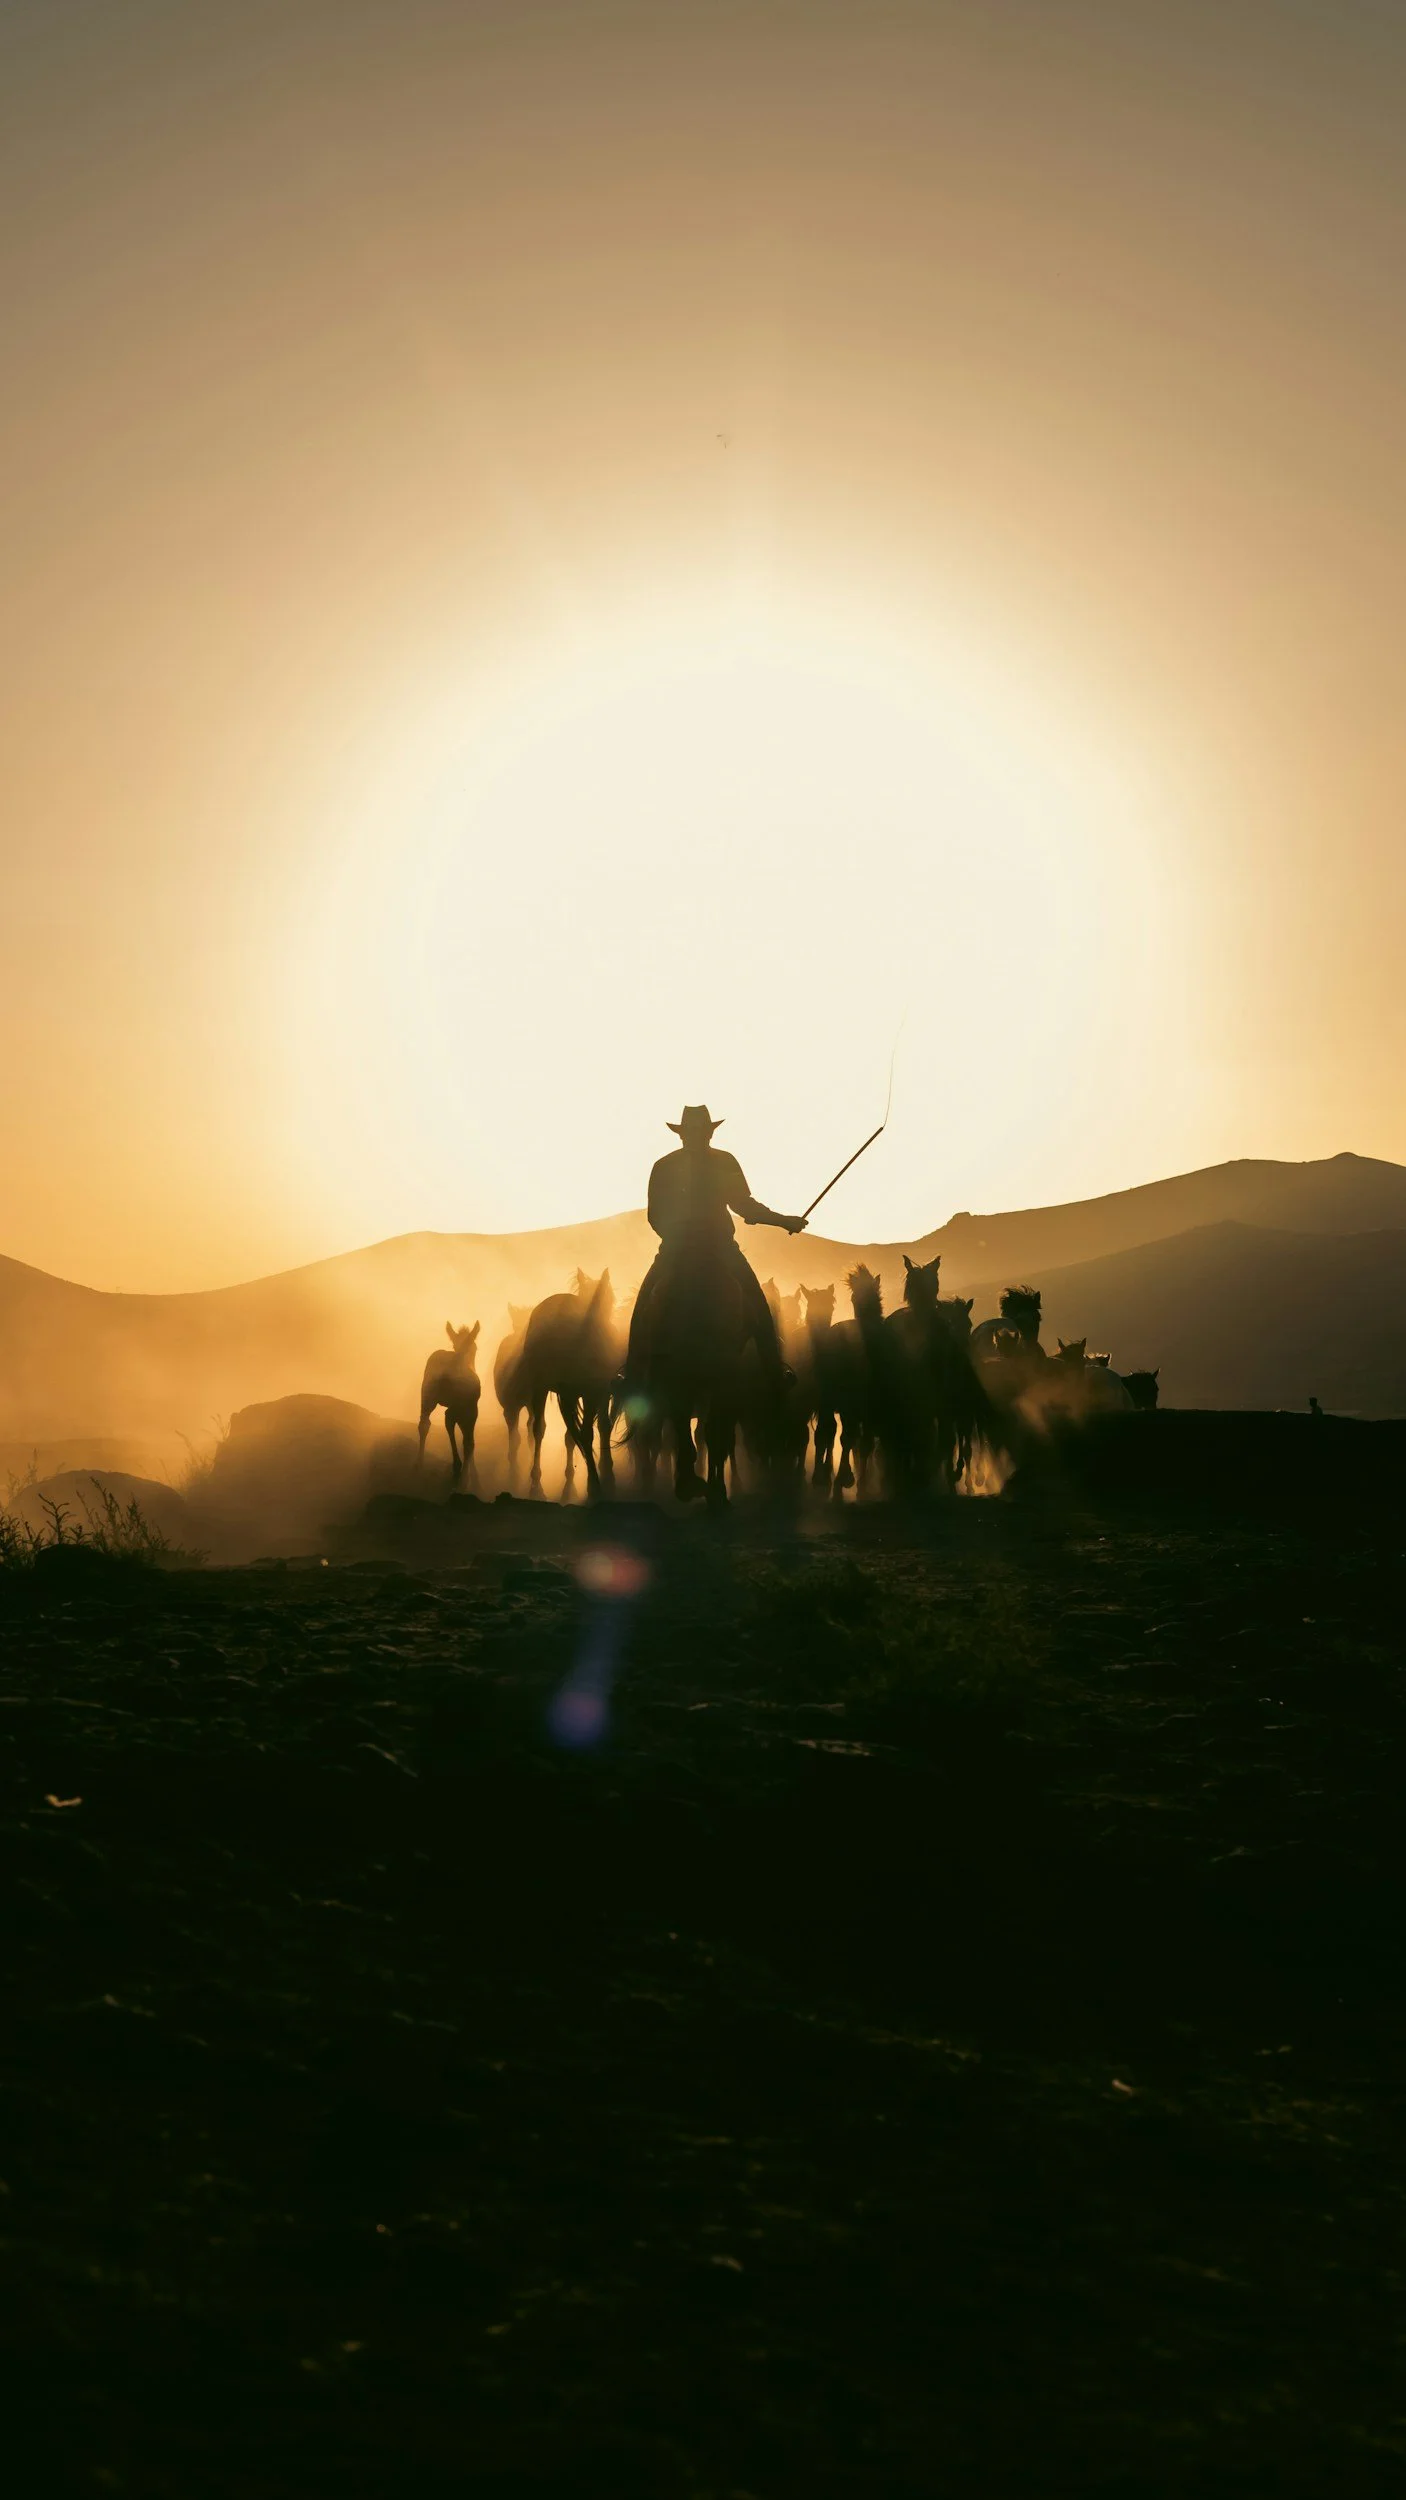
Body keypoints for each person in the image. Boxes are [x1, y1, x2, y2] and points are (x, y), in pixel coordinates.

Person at [624, 1106, 806, 1394]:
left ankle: (630, 1375)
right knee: (756, 1302)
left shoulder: (667, 1165)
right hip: (713, 1247)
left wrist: (783, 1221)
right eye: (694, 1132)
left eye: (700, 1132)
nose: (697, 1138)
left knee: (645, 1303)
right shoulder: (718, 1162)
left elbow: (657, 1215)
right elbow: (744, 1206)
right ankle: (774, 1370)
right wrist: (784, 1221)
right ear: (690, 1134)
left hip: (681, 1249)